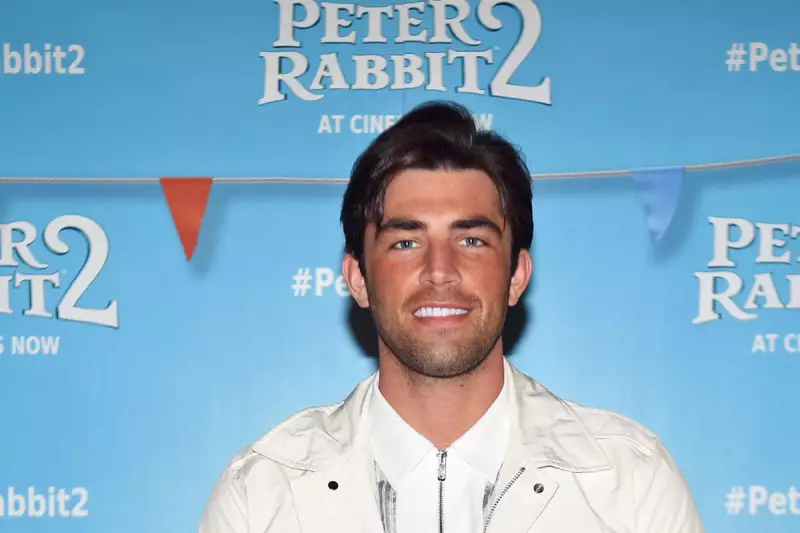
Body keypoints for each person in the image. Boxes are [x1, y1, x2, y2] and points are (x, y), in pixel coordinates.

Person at [199, 100, 705, 533]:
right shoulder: (265, 493)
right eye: (405, 242)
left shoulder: (629, 483)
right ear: (357, 278)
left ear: (516, 275)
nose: (440, 270)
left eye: (471, 240)